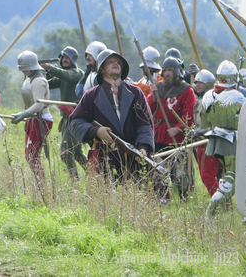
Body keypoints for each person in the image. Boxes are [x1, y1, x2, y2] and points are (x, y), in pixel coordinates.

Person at [69, 49, 155, 181]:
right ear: (102, 68)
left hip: (135, 158)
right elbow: (75, 122)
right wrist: (96, 131)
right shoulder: (91, 95)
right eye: (110, 61)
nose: (115, 63)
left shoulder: (135, 93)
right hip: (106, 160)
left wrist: (143, 147)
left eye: (118, 61)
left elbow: (145, 124)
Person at [201, 60, 246, 215]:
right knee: (231, 181)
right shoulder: (237, 97)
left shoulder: (208, 96)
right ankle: (210, 214)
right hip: (232, 141)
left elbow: (204, 123)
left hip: (216, 140)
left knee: (229, 178)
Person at [148, 56, 196, 202]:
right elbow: (149, 110)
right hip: (160, 135)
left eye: (170, 70)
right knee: (158, 170)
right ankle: (162, 199)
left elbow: (190, 116)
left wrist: (179, 128)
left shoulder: (187, 90)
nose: (167, 73)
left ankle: (183, 199)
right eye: (165, 70)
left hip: (177, 138)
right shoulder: (158, 88)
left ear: (177, 72)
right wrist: (153, 97)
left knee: (179, 172)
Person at [41, 46, 86, 179]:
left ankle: (75, 181)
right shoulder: (62, 76)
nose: (65, 60)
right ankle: (96, 176)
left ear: (73, 59)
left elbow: (66, 75)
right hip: (67, 119)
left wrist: (50, 68)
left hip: (76, 119)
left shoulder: (78, 73)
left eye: (67, 57)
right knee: (77, 153)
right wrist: (48, 73)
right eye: (63, 57)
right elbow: (48, 84)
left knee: (65, 153)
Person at [11, 51, 52, 185]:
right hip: (32, 119)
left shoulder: (39, 81)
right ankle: (39, 183)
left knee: (32, 155)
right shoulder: (30, 79)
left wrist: (23, 114)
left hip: (41, 119)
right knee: (29, 155)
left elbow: (38, 105)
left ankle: (42, 185)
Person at [192, 69, 220, 196]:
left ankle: (221, 203)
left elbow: (217, 127)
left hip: (210, 142)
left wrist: (200, 132)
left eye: (201, 82)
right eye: (196, 82)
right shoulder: (198, 100)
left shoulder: (214, 102)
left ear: (208, 84)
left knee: (207, 175)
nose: (197, 85)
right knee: (204, 177)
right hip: (200, 142)